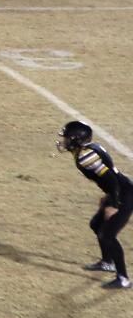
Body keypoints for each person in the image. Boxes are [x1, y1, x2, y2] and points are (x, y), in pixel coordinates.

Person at [56, 121, 133, 289]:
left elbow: (112, 180)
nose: (65, 141)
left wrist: (113, 203)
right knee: (96, 224)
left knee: (108, 235)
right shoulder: (86, 150)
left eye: (68, 138)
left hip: (124, 194)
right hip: (119, 191)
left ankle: (123, 278)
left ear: (77, 140)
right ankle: (107, 262)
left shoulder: (85, 156)